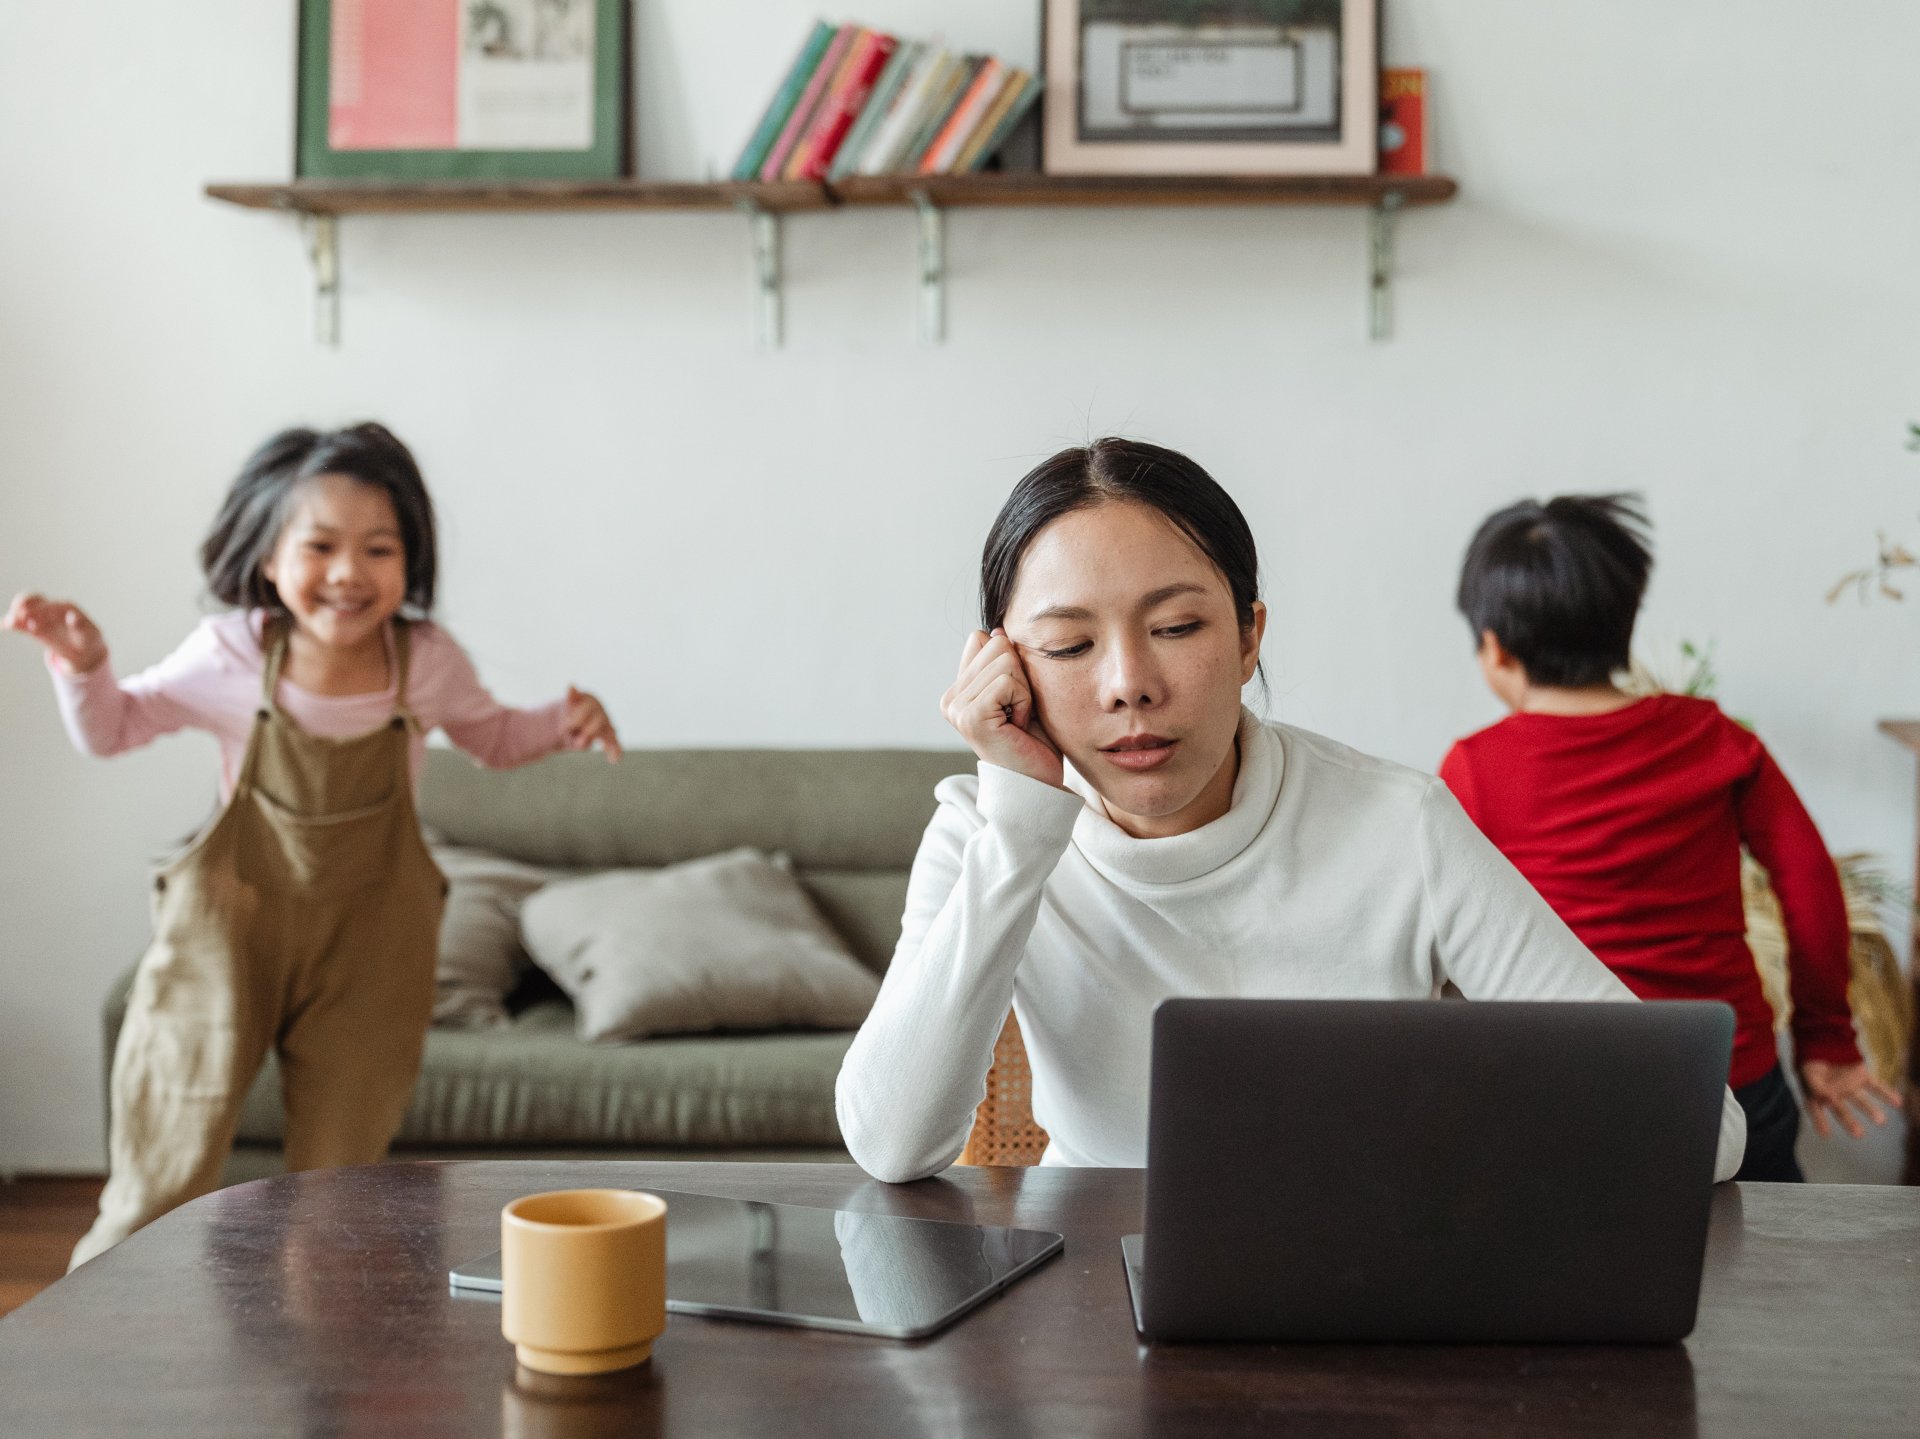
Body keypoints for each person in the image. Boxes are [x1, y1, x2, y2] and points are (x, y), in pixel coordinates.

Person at [834, 439, 1746, 1184]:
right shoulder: (983, 832)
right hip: (1087, 1296)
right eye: (1069, 644)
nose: (1129, 686)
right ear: (1006, 668)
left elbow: (1702, 1130)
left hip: (1363, 1278)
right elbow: (890, 1143)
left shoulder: (1400, 824)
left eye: (1178, 627)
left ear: (1248, 638)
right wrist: (1021, 825)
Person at [6, 422, 622, 1266]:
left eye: (379, 548)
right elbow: (114, 728)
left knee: (338, 1195)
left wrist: (562, 722)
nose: (348, 573)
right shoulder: (230, 653)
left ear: (411, 561)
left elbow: (494, 737)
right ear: (267, 557)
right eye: (321, 545)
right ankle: (91, 1360)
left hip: (369, 949)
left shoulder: (425, 662)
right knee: (159, 1173)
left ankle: (318, 1379)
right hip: (226, 937)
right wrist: (83, 667)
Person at [1439, 493, 1898, 1182]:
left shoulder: (1473, 768)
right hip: (1731, 1083)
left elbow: (1447, 931)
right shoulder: (1716, 739)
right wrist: (1825, 1034)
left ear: (1496, 649)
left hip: (1569, 1092)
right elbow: (1809, 881)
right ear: (1624, 624)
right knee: (1765, 1276)